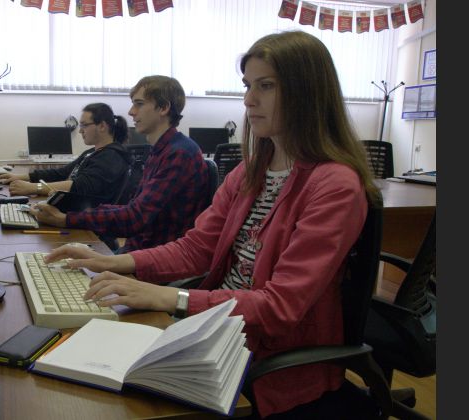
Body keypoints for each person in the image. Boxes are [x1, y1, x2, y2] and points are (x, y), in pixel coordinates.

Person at [43, 31, 382, 418]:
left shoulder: (334, 185)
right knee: (83, 372)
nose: (248, 100)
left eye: (266, 86)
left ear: (308, 92)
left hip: (268, 358)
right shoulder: (249, 172)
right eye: (248, 85)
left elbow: (280, 306)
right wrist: (111, 262)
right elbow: (196, 248)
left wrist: (168, 298)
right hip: (215, 330)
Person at [29, 75, 211, 253]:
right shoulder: (161, 151)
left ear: (163, 108)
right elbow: (133, 208)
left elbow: (135, 218)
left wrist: (66, 219)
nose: (131, 111)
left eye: (139, 104)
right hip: (140, 251)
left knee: (54, 263)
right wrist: (73, 214)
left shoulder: (178, 154)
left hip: (153, 257)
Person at [0, 103, 131, 204]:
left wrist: (33, 188)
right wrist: (21, 177)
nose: (80, 131)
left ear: (102, 126)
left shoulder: (112, 157)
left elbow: (79, 186)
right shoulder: (92, 152)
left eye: (84, 125)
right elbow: (61, 173)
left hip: (83, 224)